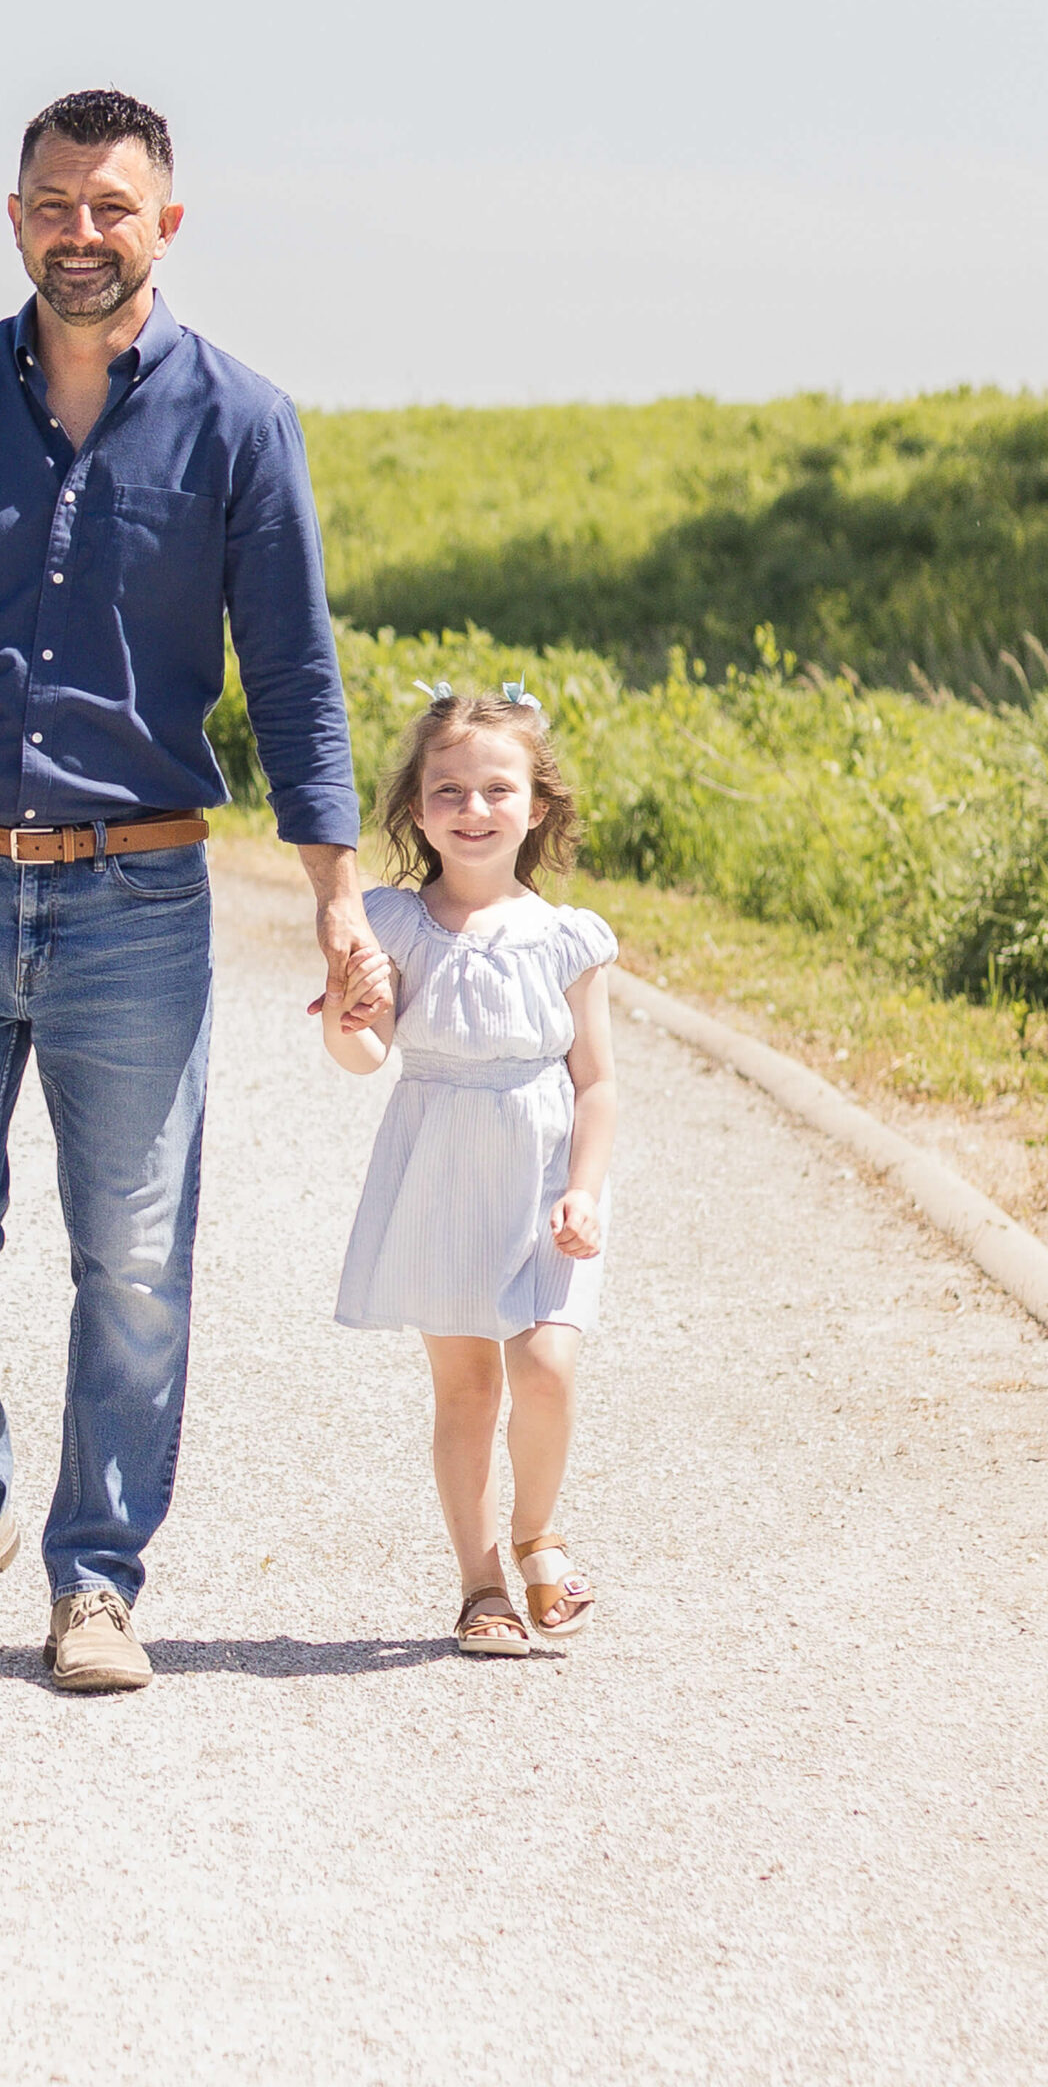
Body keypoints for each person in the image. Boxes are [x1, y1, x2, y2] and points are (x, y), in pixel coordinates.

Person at [0, 87, 387, 1694]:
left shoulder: (240, 424)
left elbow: (295, 678)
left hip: (138, 903)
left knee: (131, 1247)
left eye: (112, 206)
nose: (82, 231)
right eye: (54, 202)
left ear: (165, 224)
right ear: (15, 216)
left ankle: (97, 1575)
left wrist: (338, 897)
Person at [321, 680, 616, 1657]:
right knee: (465, 1391)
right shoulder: (391, 926)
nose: (473, 808)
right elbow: (364, 1056)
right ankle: (480, 1583)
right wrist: (345, 1015)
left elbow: (597, 1085)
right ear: (417, 811)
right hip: (441, 1174)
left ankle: (536, 1532)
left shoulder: (566, 938)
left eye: (496, 789)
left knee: (542, 1368)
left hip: (543, 1185)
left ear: (535, 806)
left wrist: (581, 1186)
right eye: (447, 791)